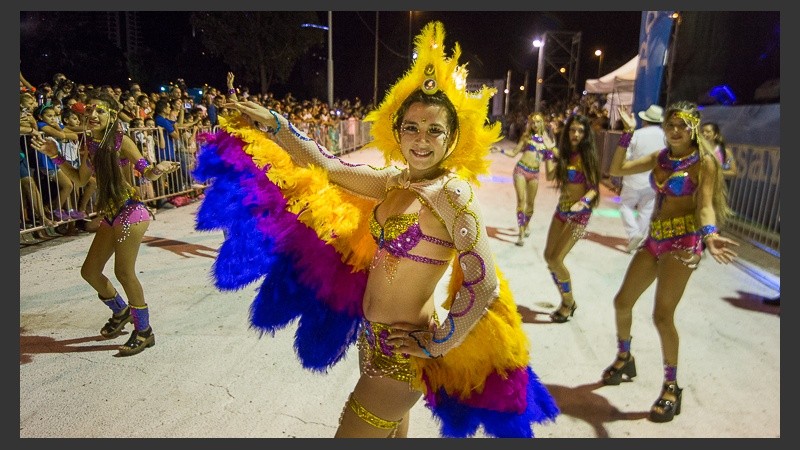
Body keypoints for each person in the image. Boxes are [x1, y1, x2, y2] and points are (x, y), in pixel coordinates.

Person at [193, 21, 558, 438]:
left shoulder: (451, 194)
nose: (421, 139)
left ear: (453, 137)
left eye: (434, 130)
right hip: (374, 340)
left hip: (401, 355)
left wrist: (438, 343)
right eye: (412, 128)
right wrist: (276, 125)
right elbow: (329, 167)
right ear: (397, 131)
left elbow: (484, 282)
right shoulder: (395, 181)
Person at [603, 101, 739, 423]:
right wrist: (627, 135)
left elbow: (704, 205)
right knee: (622, 302)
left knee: (662, 316)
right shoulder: (661, 158)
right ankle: (625, 358)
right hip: (655, 238)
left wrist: (710, 234)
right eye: (670, 125)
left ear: (692, 128)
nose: (675, 131)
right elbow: (617, 170)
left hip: (683, 243)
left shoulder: (703, 162)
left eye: (681, 126)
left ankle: (671, 387)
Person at [29, 91, 180, 356]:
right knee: (89, 271)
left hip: (131, 212)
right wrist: (55, 155)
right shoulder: (89, 145)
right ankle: (121, 310)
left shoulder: (122, 141)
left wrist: (157, 170)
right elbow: (78, 179)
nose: (93, 115)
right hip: (110, 215)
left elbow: (145, 170)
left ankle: (144, 331)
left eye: (100, 111)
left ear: (111, 115)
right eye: (90, 111)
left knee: (124, 272)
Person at [542, 113, 601, 323]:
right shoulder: (565, 155)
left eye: (580, 131)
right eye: (573, 130)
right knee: (549, 258)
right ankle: (566, 300)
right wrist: (550, 152)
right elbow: (549, 176)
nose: (576, 134)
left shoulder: (586, 156)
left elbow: (594, 188)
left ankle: (568, 302)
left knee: (557, 259)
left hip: (580, 215)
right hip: (561, 211)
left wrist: (583, 202)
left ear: (585, 134)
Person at [494, 112, 556, 246]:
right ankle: (521, 231)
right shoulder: (526, 137)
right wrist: (500, 150)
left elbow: (552, 158)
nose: (535, 124)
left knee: (531, 205)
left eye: (538, 121)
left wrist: (551, 148)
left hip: (534, 174)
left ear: (542, 123)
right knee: (521, 201)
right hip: (521, 170)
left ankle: (526, 224)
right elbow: (514, 153)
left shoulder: (547, 141)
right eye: (533, 122)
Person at [618, 104, 666, 253]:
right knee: (646, 209)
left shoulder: (637, 134)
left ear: (645, 120)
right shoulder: (665, 137)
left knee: (625, 205)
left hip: (634, 177)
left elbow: (626, 156)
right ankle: (638, 237)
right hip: (654, 179)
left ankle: (634, 234)